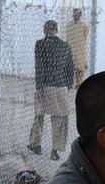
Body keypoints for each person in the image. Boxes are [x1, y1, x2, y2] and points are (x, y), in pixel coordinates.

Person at [28, 20, 74, 161]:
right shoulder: (65, 46)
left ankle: (35, 144)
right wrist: (68, 85)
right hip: (60, 87)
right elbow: (69, 68)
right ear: (56, 30)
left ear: (44, 30)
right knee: (59, 118)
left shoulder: (40, 44)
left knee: (39, 116)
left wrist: (39, 87)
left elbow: (39, 67)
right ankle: (55, 150)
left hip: (45, 85)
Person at [64, 8, 90, 88]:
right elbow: (67, 37)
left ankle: (79, 84)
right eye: (74, 14)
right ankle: (69, 83)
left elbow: (85, 37)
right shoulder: (68, 25)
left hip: (80, 49)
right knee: (70, 67)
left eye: (78, 14)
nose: (76, 16)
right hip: (70, 48)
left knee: (80, 68)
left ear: (80, 15)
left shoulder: (84, 26)